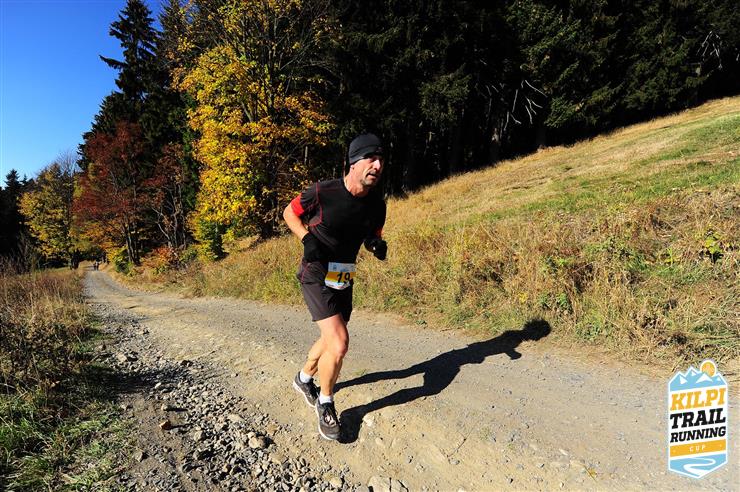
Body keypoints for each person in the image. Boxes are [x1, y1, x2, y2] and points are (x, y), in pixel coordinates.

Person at [283, 133, 388, 440]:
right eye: (371, 159)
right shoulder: (322, 192)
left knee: (331, 337)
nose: (377, 165)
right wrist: (307, 239)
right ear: (353, 162)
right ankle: (326, 402)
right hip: (315, 272)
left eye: (381, 160)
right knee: (339, 342)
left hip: (343, 274)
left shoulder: (377, 205)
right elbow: (289, 213)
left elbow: (373, 233)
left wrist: (375, 244)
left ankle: (304, 379)